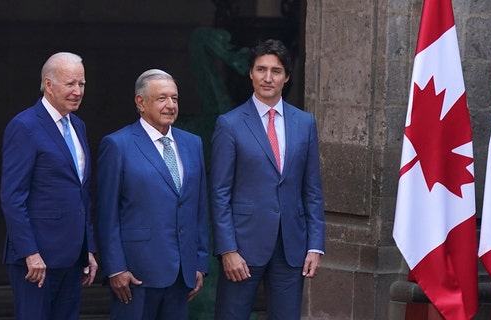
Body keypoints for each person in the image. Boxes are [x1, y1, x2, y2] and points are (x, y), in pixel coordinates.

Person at [210, 39, 326, 319]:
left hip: (291, 248)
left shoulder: (304, 122)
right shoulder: (230, 124)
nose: (268, 77)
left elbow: (311, 189)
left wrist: (315, 244)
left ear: (286, 77)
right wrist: (227, 249)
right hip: (243, 248)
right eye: (261, 69)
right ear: (250, 73)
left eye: (276, 71)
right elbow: (219, 192)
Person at [95, 69, 209, 319]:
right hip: (136, 275)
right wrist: (115, 268)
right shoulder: (117, 145)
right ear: (140, 102)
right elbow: (106, 213)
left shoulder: (193, 143)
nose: (170, 105)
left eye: (175, 98)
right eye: (162, 98)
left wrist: (200, 262)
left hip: (182, 274)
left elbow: (198, 206)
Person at [0, 52, 98, 320]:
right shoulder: (25, 126)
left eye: (82, 84)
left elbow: (82, 194)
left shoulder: (78, 126)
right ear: (49, 84)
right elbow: (12, 197)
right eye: (70, 84)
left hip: (72, 258)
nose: (78, 91)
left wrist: (87, 248)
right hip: (37, 261)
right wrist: (30, 253)